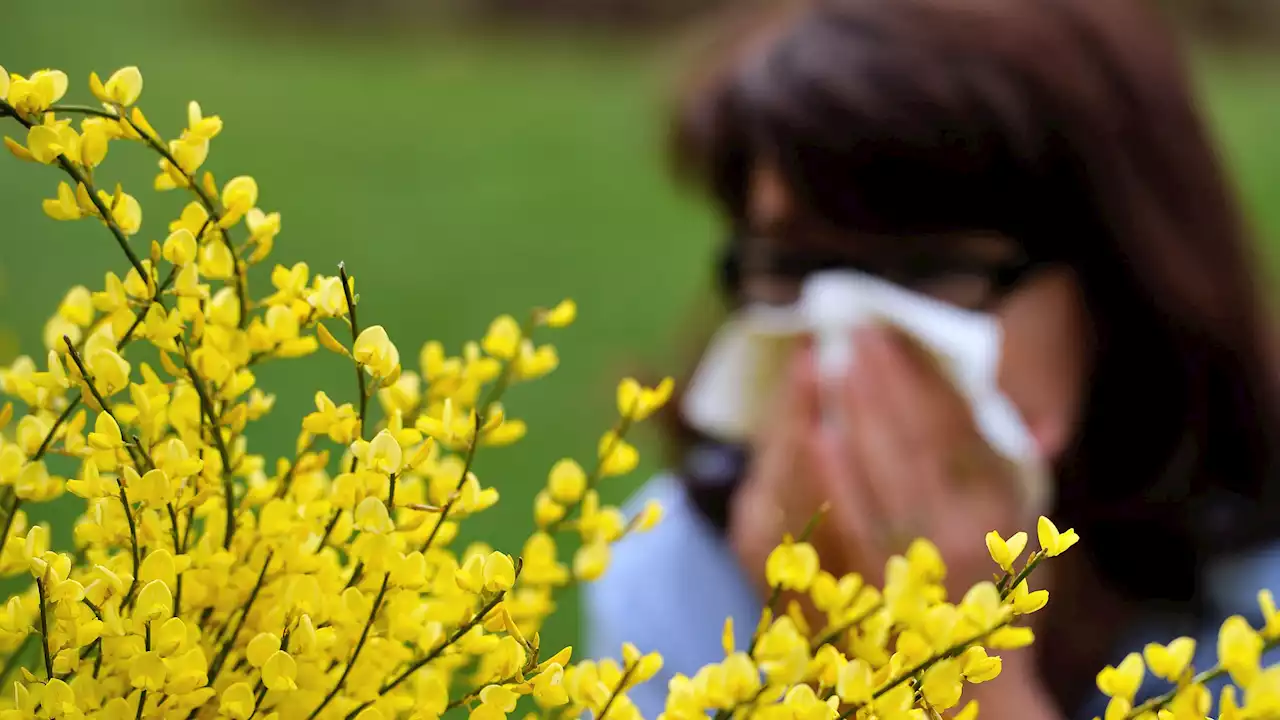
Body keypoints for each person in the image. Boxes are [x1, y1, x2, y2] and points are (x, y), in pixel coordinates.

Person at [584, 0, 1280, 718]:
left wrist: (958, 670)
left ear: (1119, 284)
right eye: (793, 265)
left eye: (932, 269)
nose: (850, 334)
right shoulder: (684, 569)